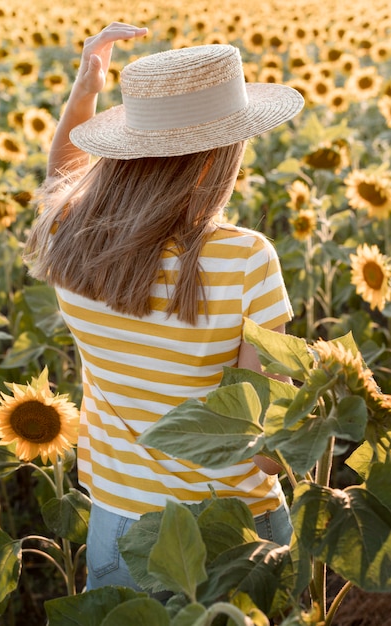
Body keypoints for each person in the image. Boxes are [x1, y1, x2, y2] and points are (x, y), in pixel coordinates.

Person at [24, 22, 304, 592]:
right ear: (216, 158)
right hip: (229, 529)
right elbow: (266, 449)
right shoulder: (246, 258)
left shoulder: (71, 237)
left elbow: (61, 181)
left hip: (117, 521)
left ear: (128, 141)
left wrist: (84, 94)